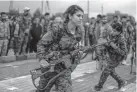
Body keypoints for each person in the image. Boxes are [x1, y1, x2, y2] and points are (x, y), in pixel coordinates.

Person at [36, 5, 84, 92]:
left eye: (82, 16)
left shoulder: (79, 32)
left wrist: (78, 54)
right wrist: (42, 59)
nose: (81, 18)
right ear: (70, 16)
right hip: (50, 67)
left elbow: (75, 48)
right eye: (78, 15)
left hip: (64, 69)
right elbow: (41, 44)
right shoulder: (58, 29)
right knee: (42, 90)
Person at [94, 23, 127, 91]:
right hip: (110, 57)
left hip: (117, 59)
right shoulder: (111, 35)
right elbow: (108, 44)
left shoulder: (122, 39)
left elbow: (124, 52)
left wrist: (114, 46)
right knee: (111, 72)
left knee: (106, 71)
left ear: (119, 31)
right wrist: (105, 44)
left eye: (115, 31)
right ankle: (121, 82)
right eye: (113, 30)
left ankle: (99, 86)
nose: (113, 32)